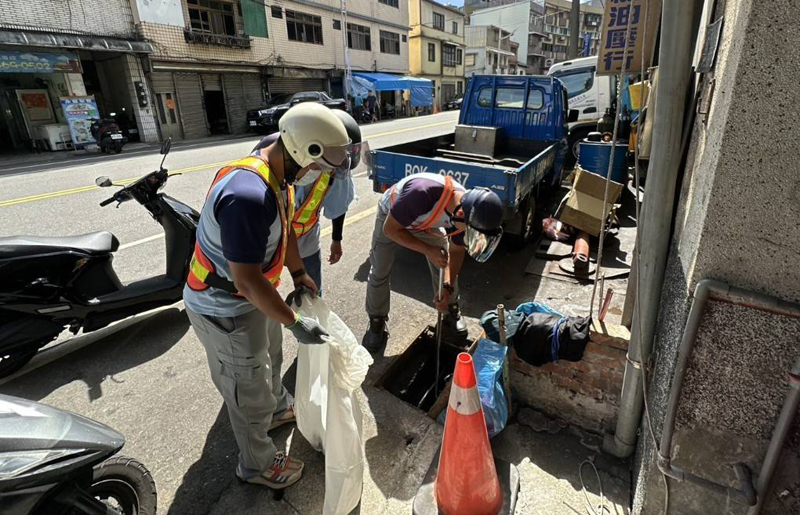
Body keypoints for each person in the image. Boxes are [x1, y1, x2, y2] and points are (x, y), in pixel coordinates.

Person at [183, 102, 351, 490]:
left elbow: (288, 228)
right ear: (301, 151)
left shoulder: (277, 163)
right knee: (247, 390)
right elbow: (246, 281)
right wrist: (295, 323)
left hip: (252, 299)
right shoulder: (247, 197)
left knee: (270, 358)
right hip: (224, 307)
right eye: (316, 166)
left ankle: (276, 409)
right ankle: (256, 463)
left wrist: (298, 272)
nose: (315, 175)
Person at [362, 172, 505, 353]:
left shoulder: (468, 214)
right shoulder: (421, 193)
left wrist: (447, 287)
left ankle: (451, 310)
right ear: (460, 214)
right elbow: (391, 230)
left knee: (442, 263)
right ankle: (377, 321)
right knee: (380, 270)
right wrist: (428, 250)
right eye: (472, 233)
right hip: (391, 220)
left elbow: (456, 251)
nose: (469, 236)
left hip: (424, 222)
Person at [252, 109, 362, 292]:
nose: (331, 168)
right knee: (260, 291)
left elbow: (339, 203)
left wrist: (336, 239)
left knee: (311, 290)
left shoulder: (336, 165)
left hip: (305, 236)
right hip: (269, 238)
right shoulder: (276, 154)